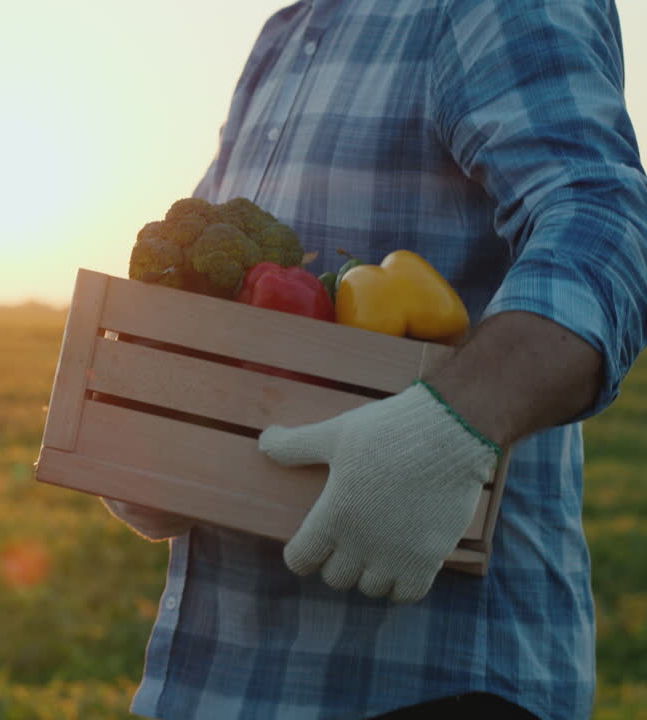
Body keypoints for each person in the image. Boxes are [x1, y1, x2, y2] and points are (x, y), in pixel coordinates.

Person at [101, 1, 647, 718]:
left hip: (438, 685)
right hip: (215, 688)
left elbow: (604, 221)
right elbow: (210, 293)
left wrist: (455, 426)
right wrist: (158, 429)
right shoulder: (284, 34)